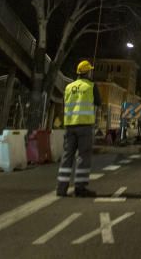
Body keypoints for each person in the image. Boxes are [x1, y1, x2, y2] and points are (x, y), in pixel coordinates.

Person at [57, 59, 101, 197]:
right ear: (87, 72)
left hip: (69, 126)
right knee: (83, 157)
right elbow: (98, 102)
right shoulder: (91, 86)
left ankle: (61, 188)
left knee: (67, 156)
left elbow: (64, 104)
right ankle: (80, 188)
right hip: (84, 126)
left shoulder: (69, 87)